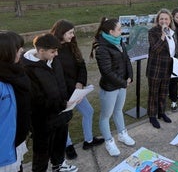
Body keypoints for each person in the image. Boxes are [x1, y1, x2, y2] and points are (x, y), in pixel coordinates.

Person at [22, 33, 78, 172]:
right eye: (53, 51)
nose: (56, 54)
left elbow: (61, 84)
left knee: (60, 143)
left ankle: (58, 165)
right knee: (42, 152)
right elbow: (36, 99)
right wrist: (61, 105)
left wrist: (70, 99)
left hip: (62, 114)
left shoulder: (54, 60)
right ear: (41, 51)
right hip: (43, 120)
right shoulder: (28, 69)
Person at [50, 20, 104, 159]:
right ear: (61, 32)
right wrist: (69, 92)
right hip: (63, 94)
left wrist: (80, 83)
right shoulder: (52, 50)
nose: (73, 36)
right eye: (70, 33)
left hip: (77, 90)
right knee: (65, 119)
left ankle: (88, 140)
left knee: (89, 111)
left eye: (73, 32)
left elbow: (81, 66)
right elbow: (56, 76)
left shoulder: (72, 46)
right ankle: (68, 145)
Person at [90, 17, 135, 156]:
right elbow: (107, 72)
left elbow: (126, 59)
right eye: (119, 29)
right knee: (106, 116)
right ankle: (109, 141)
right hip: (110, 88)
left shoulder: (119, 40)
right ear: (111, 31)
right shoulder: (101, 48)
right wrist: (123, 82)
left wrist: (130, 76)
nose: (122, 31)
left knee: (119, 110)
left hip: (121, 84)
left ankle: (122, 134)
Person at [0, 31, 31, 172]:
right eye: (18, 47)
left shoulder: (16, 72)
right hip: (3, 151)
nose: (22, 50)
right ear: (6, 52)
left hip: (16, 142)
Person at [146, 9, 178, 129]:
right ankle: (152, 116)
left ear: (170, 20)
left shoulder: (172, 32)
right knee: (153, 93)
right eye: (161, 19)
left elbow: (174, 48)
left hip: (168, 68)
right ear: (157, 20)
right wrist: (162, 35)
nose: (164, 21)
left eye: (166, 19)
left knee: (163, 93)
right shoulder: (152, 32)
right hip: (155, 69)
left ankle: (161, 113)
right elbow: (155, 49)